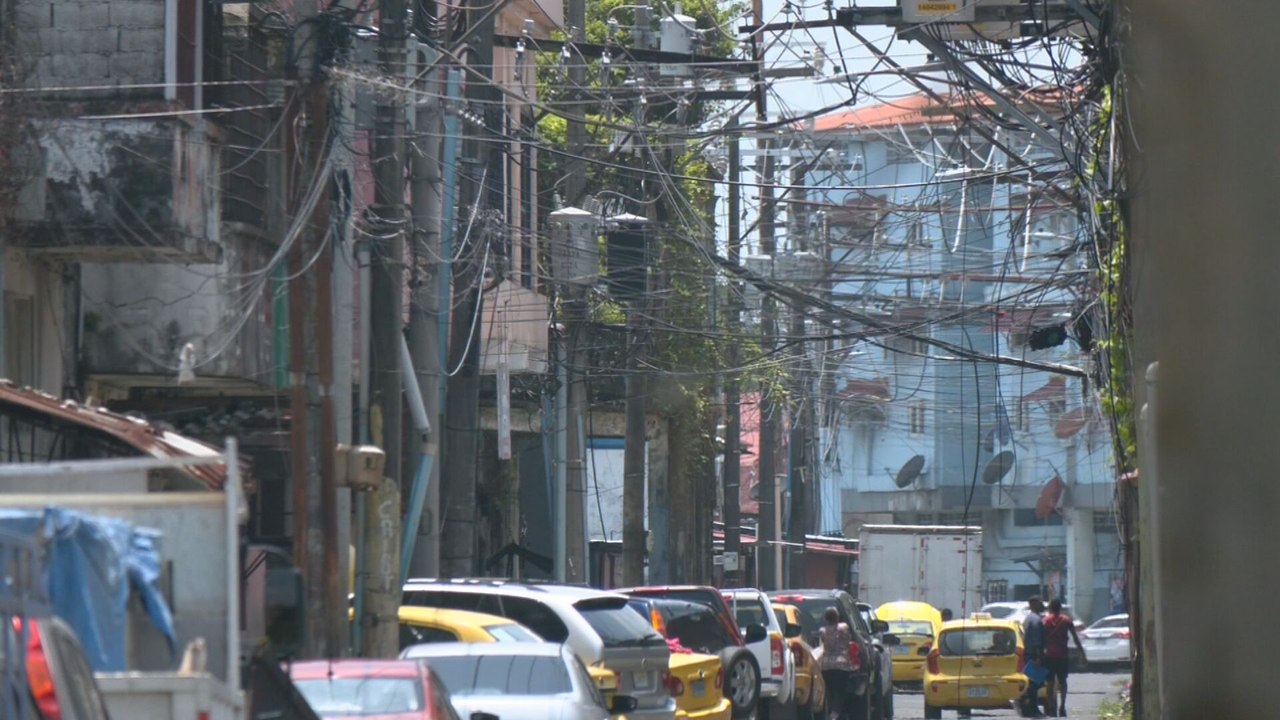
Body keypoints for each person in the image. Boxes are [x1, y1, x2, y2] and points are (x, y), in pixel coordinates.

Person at [1041, 598, 1086, 717]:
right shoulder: (1066, 620)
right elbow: (1075, 638)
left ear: (1050, 608)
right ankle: (1062, 706)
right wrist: (1081, 652)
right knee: (1063, 682)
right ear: (1060, 608)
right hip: (1062, 655)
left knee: (1049, 683)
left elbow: (1041, 639)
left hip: (1049, 655)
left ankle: (1051, 707)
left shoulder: (1045, 621)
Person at [818, 606, 854, 720]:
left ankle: (830, 711)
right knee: (840, 690)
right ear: (837, 617)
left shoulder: (822, 631)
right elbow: (849, 639)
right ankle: (835, 713)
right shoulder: (843, 628)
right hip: (841, 664)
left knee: (830, 690)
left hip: (826, 665)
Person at [1018, 597, 1047, 718]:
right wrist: (1038, 657)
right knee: (1034, 684)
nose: (1042, 604)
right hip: (1034, 655)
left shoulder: (1029, 618)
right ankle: (1033, 709)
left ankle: (1029, 708)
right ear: (1034, 604)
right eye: (1040, 602)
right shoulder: (1035, 619)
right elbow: (1036, 641)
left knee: (1033, 683)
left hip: (1029, 654)